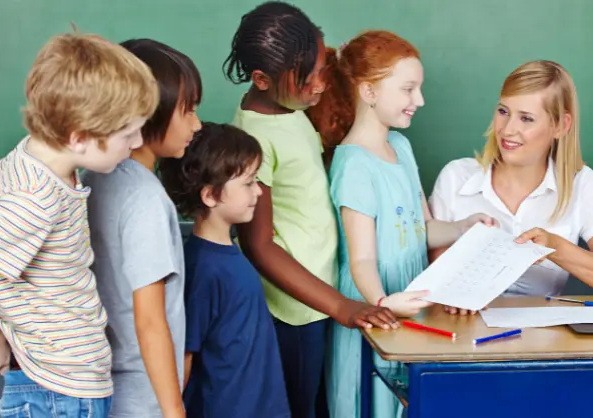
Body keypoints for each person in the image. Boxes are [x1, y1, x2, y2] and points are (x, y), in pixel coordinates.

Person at [0, 32, 159, 417]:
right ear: (78, 137)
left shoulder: (30, 157)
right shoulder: (36, 200)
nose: (138, 141)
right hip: (61, 390)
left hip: (59, 381)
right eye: (127, 133)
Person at [306, 30, 495, 418]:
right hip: (376, 307)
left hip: (408, 302)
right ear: (369, 91)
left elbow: (421, 228)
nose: (419, 101)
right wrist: (380, 304)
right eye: (408, 89)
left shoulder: (402, 148)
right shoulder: (354, 164)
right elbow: (360, 260)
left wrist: (463, 227)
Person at [224, 2, 399, 416]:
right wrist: (341, 306)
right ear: (262, 80)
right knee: (300, 407)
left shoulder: (289, 108)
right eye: (309, 79)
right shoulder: (254, 136)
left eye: (322, 68)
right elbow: (259, 245)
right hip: (296, 310)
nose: (320, 85)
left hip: (320, 294)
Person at [428, 60, 593, 316]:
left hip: (541, 344)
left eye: (526, 118)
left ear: (560, 126)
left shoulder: (580, 183)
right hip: (458, 338)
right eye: (503, 111)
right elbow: (434, 274)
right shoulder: (456, 177)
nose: (508, 129)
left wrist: (555, 247)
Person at [82, 38, 202, 418]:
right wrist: (174, 411)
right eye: (188, 111)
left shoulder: (94, 175)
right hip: (141, 390)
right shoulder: (146, 200)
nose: (197, 125)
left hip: (104, 380)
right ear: (151, 112)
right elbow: (150, 320)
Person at [158, 122, 291, 418]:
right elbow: (184, 358)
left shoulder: (228, 254)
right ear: (210, 195)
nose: (258, 191)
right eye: (248, 183)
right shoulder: (202, 269)